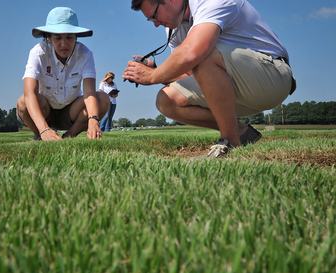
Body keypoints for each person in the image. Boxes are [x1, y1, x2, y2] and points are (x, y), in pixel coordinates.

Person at [123, 0, 295, 157]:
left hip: (272, 77)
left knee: (202, 52)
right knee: (166, 100)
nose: (156, 24)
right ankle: (241, 133)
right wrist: (157, 71)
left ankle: (229, 142)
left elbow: (194, 53)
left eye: (154, 16)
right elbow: (193, 73)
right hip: (234, 87)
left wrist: (151, 76)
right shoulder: (174, 28)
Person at [17, 7, 109, 141]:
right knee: (23, 102)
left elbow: (89, 93)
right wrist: (44, 129)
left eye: (69, 37)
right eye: (58, 37)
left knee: (103, 98)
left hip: (71, 111)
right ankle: (41, 135)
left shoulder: (85, 54)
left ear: (76, 37)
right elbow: (29, 92)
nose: (63, 43)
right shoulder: (38, 53)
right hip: (44, 110)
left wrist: (93, 119)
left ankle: (69, 136)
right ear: (48, 37)